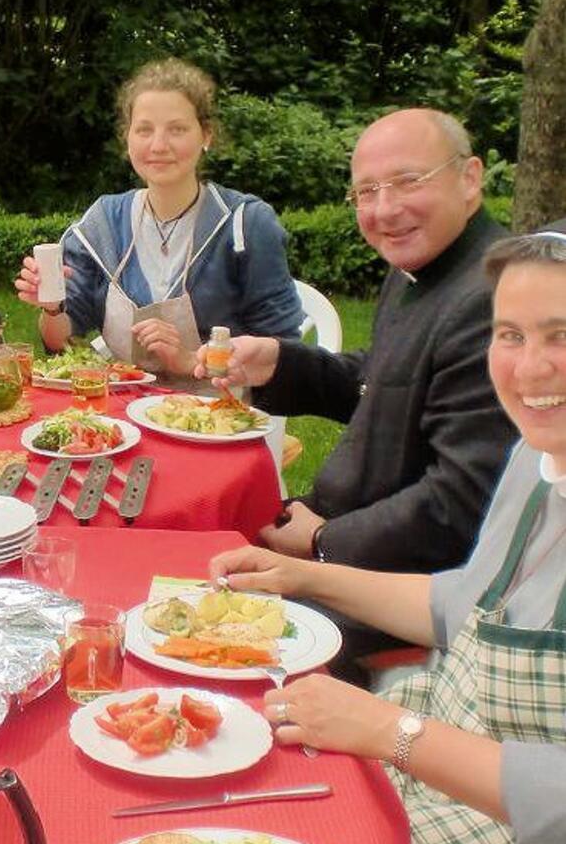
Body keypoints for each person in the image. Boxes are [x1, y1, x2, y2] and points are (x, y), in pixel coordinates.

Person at [209, 231, 566, 844]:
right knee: (235, 796)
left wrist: (390, 735)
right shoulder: (537, 456)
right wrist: (307, 577)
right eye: (510, 334)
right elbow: (464, 606)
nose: (531, 367)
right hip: (442, 756)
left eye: (560, 335)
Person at [202, 109, 515, 581]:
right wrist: (281, 364)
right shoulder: (421, 266)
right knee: (188, 524)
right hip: (344, 522)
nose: (385, 209)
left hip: (394, 580)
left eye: (408, 181)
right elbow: (386, 381)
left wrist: (322, 540)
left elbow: (464, 501)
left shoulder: (493, 302)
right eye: (366, 192)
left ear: (469, 179)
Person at [14, 58, 302, 378]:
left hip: (221, 414)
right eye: (144, 130)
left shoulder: (245, 225)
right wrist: (52, 306)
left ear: (206, 135)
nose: (159, 145)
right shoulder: (104, 223)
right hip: (123, 414)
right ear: (128, 138)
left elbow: (283, 352)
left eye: (177, 129)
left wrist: (190, 360)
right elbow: (61, 341)